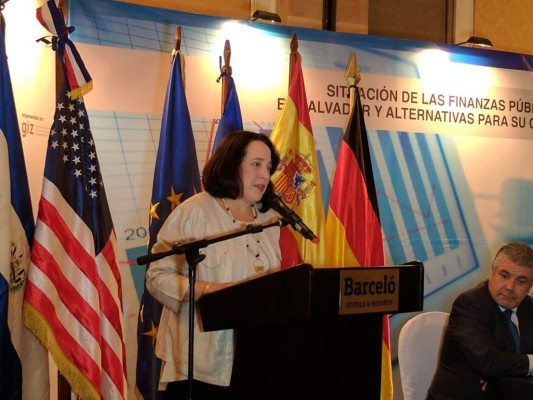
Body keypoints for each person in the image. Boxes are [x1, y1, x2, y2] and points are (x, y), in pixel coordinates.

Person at [145, 130, 282, 400]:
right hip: (198, 366)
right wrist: (209, 290)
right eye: (256, 164)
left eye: (268, 167)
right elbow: (156, 276)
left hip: (255, 362)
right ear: (231, 164)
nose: (265, 175)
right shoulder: (194, 212)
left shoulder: (269, 219)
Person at [427, 241, 533, 400]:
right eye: (504, 276)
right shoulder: (469, 304)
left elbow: (496, 365)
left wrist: (498, 374)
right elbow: (488, 362)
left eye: (521, 281)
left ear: (530, 286)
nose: (510, 287)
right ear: (492, 273)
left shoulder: (529, 307)